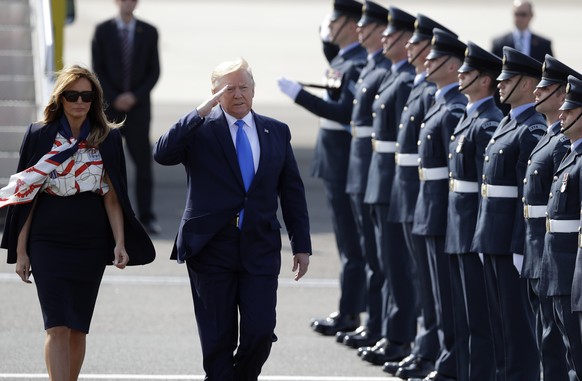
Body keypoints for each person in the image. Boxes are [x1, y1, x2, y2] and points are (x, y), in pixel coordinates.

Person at [153, 58, 312, 381]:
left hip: (260, 245)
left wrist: (301, 245)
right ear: (214, 94)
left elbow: (292, 192)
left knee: (260, 331)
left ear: (253, 90)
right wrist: (199, 113)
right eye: (228, 89)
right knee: (217, 340)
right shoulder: (200, 130)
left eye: (243, 87)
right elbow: (163, 153)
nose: (237, 94)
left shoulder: (276, 131)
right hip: (211, 246)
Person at [0, 65, 156, 381]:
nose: (79, 102)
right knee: (56, 324)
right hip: (47, 238)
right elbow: (27, 194)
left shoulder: (108, 139)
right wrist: (21, 249)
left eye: (87, 96)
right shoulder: (40, 134)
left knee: (78, 328)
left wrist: (120, 242)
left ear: (94, 100)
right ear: (61, 98)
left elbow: (113, 196)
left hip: (90, 241)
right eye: (72, 95)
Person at [278, 0, 367, 336]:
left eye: (335, 20)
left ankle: (351, 313)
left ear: (350, 24)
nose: (329, 26)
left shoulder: (356, 62)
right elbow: (331, 56)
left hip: (345, 160)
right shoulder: (344, 58)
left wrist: (299, 95)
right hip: (335, 159)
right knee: (348, 242)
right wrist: (325, 34)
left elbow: (343, 111)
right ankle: (351, 309)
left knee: (353, 243)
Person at [383, 14, 451, 380]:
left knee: (432, 284)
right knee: (423, 280)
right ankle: (427, 348)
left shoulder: (429, 92)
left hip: (425, 196)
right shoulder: (420, 87)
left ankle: (432, 351)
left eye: (415, 44)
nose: (411, 49)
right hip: (410, 191)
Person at [471, 46, 545, 381]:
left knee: (517, 330)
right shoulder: (506, 123)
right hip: (492, 238)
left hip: (509, 243)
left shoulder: (530, 130)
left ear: (528, 85)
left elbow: (525, 197)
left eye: (509, 80)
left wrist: (519, 246)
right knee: (498, 325)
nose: (500, 85)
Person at [358, 5, 417, 368]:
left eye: (390, 36)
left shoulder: (406, 79)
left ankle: (399, 336)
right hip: (380, 178)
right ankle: (390, 332)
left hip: (394, 181)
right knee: (385, 261)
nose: (383, 39)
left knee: (397, 266)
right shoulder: (396, 75)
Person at [446, 41, 502, 381]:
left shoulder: (487, 123)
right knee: (463, 315)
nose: (460, 75)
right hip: (458, 224)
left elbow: (487, 189)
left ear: (483, 80)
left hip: (471, 229)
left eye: (467, 72)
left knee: (480, 318)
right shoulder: (472, 117)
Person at [337, 0, 391, 350]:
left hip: (377, 171)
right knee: (372, 254)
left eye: (366, 27)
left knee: (382, 258)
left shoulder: (383, 71)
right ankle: (375, 325)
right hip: (363, 170)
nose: (359, 31)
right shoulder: (370, 66)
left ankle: (384, 328)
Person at [525, 55, 579, 381]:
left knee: (563, 346)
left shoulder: (563, 144)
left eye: (544, 87)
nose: (536, 91)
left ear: (561, 94)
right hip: (545, 250)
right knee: (547, 338)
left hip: (564, 257)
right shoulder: (550, 136)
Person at [91, 0, 161, 234]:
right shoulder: (103, 31)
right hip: (110, 108)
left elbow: (154, 71)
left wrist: (134, 96)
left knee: (142, 163)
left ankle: (146, 216)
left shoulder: (149, 32)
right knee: (106, 163)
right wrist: (114, 96)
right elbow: (97, 69)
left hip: (138, 109)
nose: (128, 3)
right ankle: (105, 214)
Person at [545, 74, 582, 380]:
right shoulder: (571, 155)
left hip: (574, 268)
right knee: (569, 349)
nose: (561, 115)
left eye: (568, 112)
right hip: (560, 265)